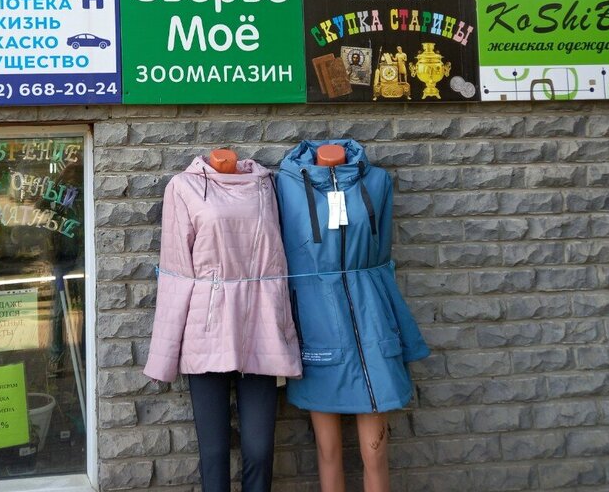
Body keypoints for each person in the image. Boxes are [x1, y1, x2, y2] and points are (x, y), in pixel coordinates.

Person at [275, 140, 429, 492]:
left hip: (371, 319)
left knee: (375, 451)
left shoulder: (376, 181)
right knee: (328, 451)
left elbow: (381, 254)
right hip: (316, 322)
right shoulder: (285, 185)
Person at [144, 149, 301, 492]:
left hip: (261, 326)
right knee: (214, 453)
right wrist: (163, 357)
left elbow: (278, 264)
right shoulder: (183, 187)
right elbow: (175, 272)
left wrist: (283, 326)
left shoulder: (265, 185)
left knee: (260, 450)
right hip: (206, 327)